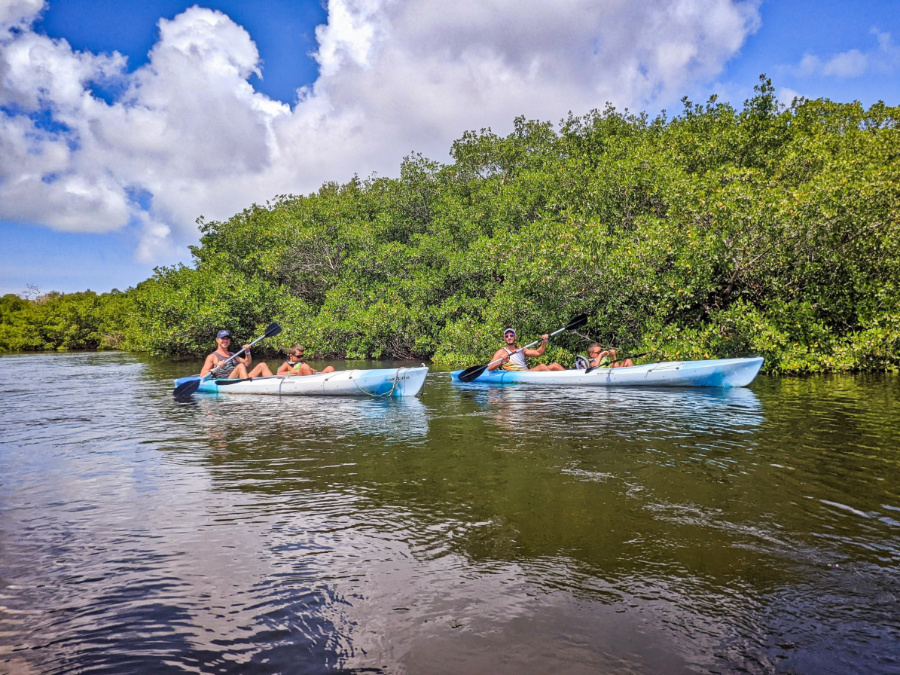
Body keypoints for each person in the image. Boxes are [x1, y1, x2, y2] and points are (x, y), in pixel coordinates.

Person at [200, 330, 274, 379]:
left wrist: (247, 352)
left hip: (239, 379)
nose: (225, 341)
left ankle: (274, 383)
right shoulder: (212, 356)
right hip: (226, 382)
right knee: (240, 366)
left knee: (262, 365)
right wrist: (216, 367)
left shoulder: (232, 355)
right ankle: (248, 385)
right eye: (222, 338)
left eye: (227, 338)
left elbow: (247, 363)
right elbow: (203, 374)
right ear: (217, 340)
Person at [488, 327, 565, 372]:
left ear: (515, 337)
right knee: (542, 367)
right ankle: (554, 381)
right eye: (506, 336)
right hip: (516, 374)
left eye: (511, 335)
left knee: (555, 365)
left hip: (526, 372)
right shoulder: (501, 352)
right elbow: (489, 367)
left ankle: (572, 379)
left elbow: (538, 353)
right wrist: (501, 361)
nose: (509, 337)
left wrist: (544, 342)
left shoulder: (521, 349)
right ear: (504, 338)